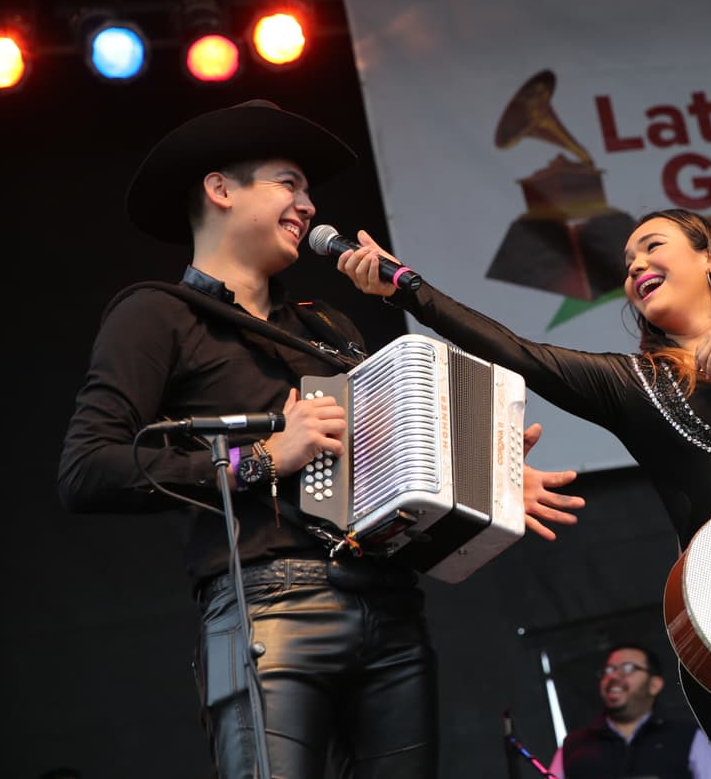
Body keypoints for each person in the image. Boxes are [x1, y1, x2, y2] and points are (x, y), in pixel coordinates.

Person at [57, 100, 583, 779]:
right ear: (220, 190)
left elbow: (380, 472)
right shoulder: (156, 313)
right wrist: (263, 459)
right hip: (268, 610)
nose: (308, 205)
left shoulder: (327, 326)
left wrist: (483, 480)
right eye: (289, 182)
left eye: (308, 190)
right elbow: (88, 468)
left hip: (390, 609)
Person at [336, 208, 711, 778]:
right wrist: (409, 288)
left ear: (709, 256)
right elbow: (513, 350)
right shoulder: (630, 384)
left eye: (651, 247)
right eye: (627, 262)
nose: (633, 266)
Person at [548, 644, 711, 779]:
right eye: (609, 670)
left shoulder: (688, 737)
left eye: (628, 669)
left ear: (654, 685)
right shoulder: (573, 746)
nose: (614, 676)